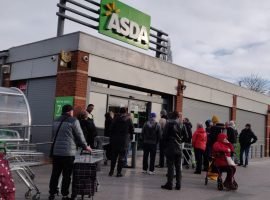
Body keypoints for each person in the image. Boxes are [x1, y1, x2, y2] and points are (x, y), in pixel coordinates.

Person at [49, 105, 91, 200]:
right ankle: (64, 195)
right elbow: (79, 135)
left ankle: (51, 194)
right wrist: (85, 146)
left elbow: (53, 136)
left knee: (55, 174)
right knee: (66, 175)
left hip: (56, 152)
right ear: (70, 111)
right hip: (68, 153)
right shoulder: (73, 121)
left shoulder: (56, 120)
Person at [161, 111, 188, 190]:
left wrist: (165, 145)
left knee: (171, 166)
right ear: (177, 116)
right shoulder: (181, 124)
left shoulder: (169, 123)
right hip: (178, 147)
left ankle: (169, 184)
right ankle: (178, 185)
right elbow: (186, 137)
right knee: (178, 167)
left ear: (172, 115)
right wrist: (180, 141)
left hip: (170, 147)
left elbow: (164, 136)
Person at [108, 107, 134, 177]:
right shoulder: (128, 119)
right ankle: (119, 172)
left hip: (115, 141)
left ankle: (111, 171)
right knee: (122, 157)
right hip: (124, 141)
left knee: (114, 156)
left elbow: (111, 129)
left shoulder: (115, 119)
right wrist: (130, 137)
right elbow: (132, 129)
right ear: (125, 112)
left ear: (119, 112)